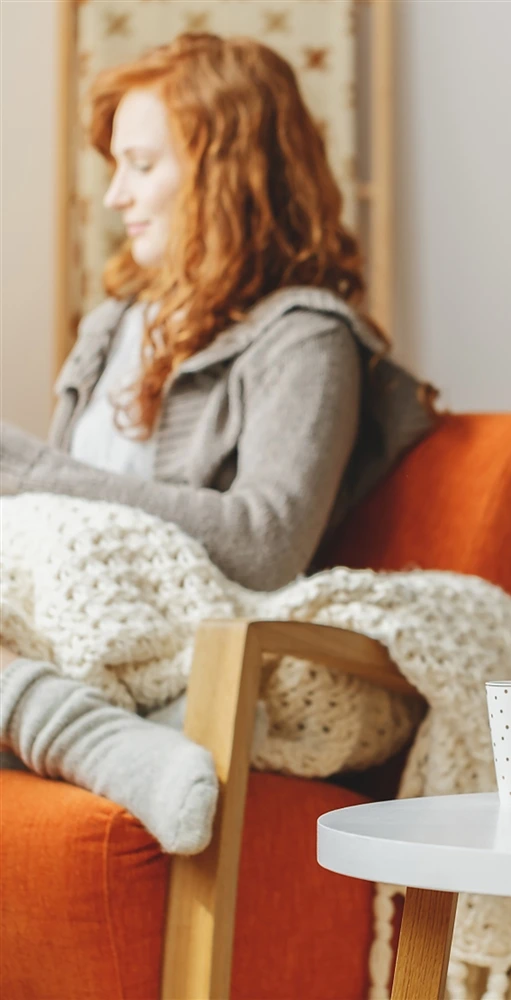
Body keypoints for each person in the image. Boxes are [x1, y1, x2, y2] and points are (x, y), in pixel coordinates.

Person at [0, 33, 438, 854]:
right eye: (115, 169)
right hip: (70, 617)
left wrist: (29, 472)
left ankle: (81, 728)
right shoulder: (109, 329)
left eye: (140, 165)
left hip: (187, 634)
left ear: (221, 171)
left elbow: (267, 542)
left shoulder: (304, 336)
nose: (115, 198)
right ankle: (80, 730)